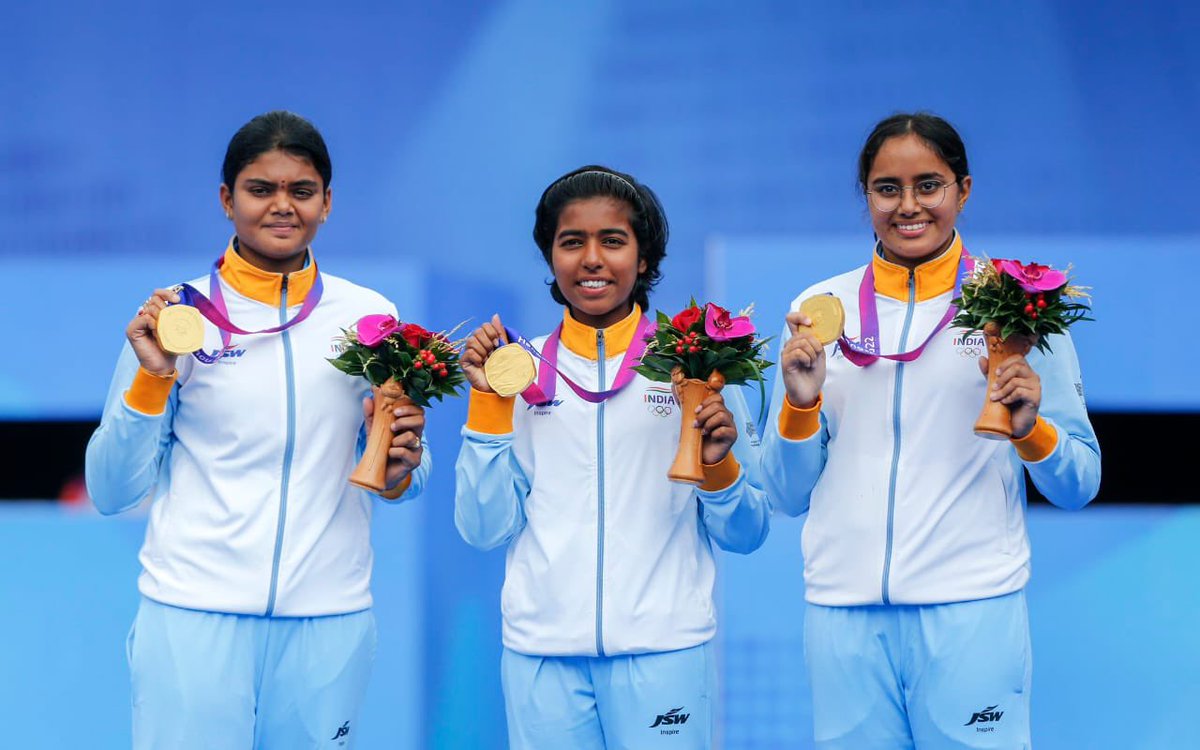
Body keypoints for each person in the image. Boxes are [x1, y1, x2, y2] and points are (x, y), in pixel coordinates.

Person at [85, 110, 429, 749]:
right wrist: (153, 378)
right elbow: (110, 491)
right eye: (259, 189)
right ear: (226, 199)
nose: (282, 206)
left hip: (329, 620)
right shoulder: (176, 317)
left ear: (327, 203)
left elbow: (401, 471)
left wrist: (404, 466)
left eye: (301, 191)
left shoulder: (371, 316)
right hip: (192, 617)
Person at [761, 112, 1101, 749]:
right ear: (865, 195)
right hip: (842, 616)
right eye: (887, 188)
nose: (908, 206)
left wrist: (1031, 431)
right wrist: (801, 406)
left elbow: (1080, 482)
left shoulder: (1017, 304)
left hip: (972, 610)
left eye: (929, 185)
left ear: (963, 190)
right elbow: (782, 495)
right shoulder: (816, 311)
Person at [455, 165, 771, 750]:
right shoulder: (517, 372)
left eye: (614, 241)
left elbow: (748, 531)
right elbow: (482, 529)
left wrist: (719, 467)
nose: (592, 259)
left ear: (645, 258)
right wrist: (488, 403)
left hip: (665, 650)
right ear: (550, 257)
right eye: (571, 242)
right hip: (541, 656)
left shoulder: (697, 366)